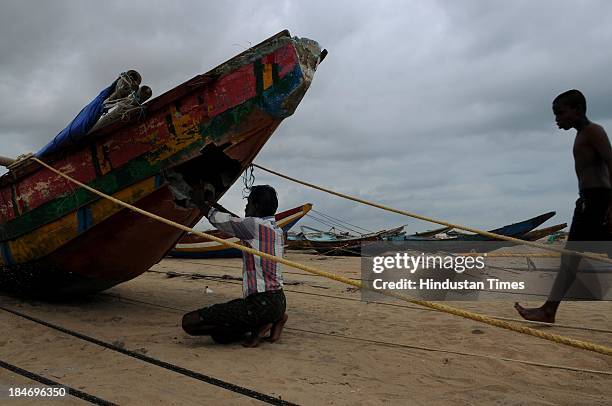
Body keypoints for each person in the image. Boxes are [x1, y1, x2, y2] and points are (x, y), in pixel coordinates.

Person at [515, 89, 612, 323]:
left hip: (599, 202)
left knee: (571, 258)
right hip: (588, 202)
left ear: (577, 109)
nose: (557, 119)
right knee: (570, 259)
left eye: (560, 113)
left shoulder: (593, 131)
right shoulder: (582, 135)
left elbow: (611, 162)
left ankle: (549, 310)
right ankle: (549, 311)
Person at [182, 184, 288, 347]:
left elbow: (223, 221)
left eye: (248, 203)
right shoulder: (277, 230)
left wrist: (200, 203)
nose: (245, 207)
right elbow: (238, 221)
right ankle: (273, 319)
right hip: (279, 300)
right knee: (220, 337)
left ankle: (261, 323)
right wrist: (214, 203)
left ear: (256, 206)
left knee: (189, 322)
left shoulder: (252, 226)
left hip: (260, 303)